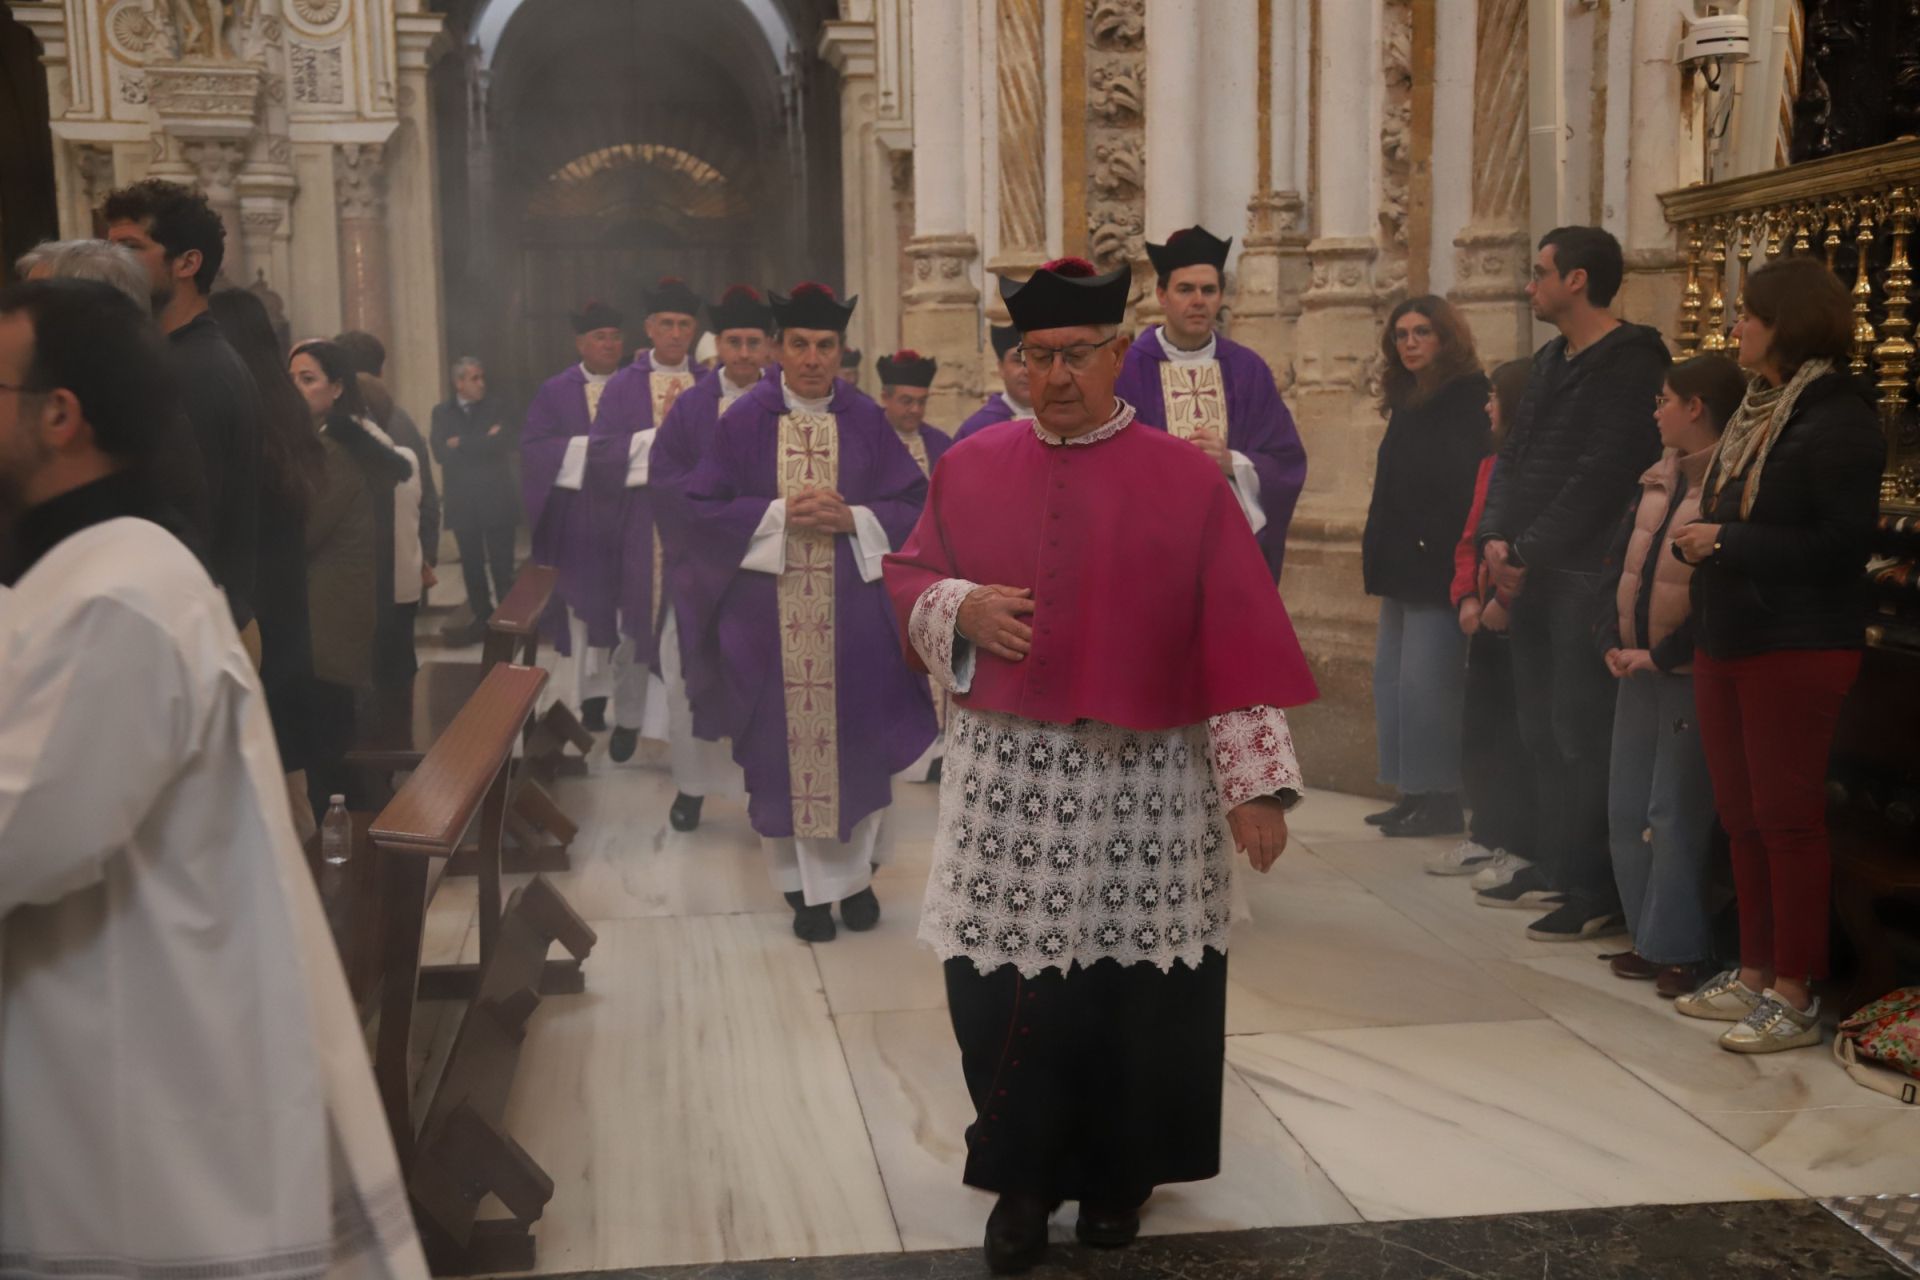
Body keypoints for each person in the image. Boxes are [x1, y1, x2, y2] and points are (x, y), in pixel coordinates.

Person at [883, 258, 1317, 1273]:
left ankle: (1122, 1175)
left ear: (1120, 353)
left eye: (1077, 353)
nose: (1058, 374)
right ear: (1017, 362)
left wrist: (1255, 782)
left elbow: (1236, 631)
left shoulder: (1183, 476)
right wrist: (961, 607)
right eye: (1038, 356)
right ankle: (1023, 1179)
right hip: (1010, 772)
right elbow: (908, 571)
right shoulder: (973, 462)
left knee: (1135, 982)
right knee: (1000, 978)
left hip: (1148, 778)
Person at [0, 277, 426, 1280]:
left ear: (60, 416)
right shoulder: (84, 573)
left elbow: (20, 832)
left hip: (143, 1093)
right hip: (112, 1063)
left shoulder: (118, 592)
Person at [1671, 257, 1884, 1053]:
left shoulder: (1839, 419)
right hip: (1731, 634)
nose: (1736, 327)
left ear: (1786, 324)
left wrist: (1726, 539)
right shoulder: (1762, 408)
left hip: (1796, 642)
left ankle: (1795, 991)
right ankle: (1756, 972)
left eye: (1748, 315)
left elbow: (1840, 545)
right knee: (1743, 818)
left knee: (1788, 822)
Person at [685, 282, 937, 942]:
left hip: (854, 616)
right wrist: (775, 512)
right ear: (776, 348)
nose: (812, 358)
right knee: (781, 752)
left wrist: (854, 517)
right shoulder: (743, 421)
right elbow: (702, 508)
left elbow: (914, 506)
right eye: (799, 344)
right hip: (768, 620)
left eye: (826, 346)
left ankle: (856, 884)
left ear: (842, 350)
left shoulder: (866, 420)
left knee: (857, 741)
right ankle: (800, 891)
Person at [1473, 226, 1670, 942]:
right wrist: (1498, 541)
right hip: (1533, 570)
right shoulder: (1554, 357)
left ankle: (1595, 886)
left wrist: (1523, 547)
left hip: (1585, 573)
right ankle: (1557, 864)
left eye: (1541, 273)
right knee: (1539, 729)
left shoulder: (1632, 359)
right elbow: (1514, 456)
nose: (1532, 285)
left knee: (1578, 731)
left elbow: (1605, 470)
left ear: (1578, 279)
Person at [1597, 353, 1746, 996]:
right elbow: (1625, 566)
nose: (1656, 410)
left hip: (1683, 669)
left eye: (1665, 399)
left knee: (1675, 811)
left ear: (1696, 407)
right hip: (1637, 665)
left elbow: (1712, 591)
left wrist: (1659, 654)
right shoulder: (1657, 478)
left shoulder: (1728, 485)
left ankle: (1680, 948)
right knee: (1627, 806)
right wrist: (1613, 636)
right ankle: (1647, 935)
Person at [104, 179, 264, 640]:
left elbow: (186, 526)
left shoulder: (195, 371)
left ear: (187, 262)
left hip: (193, 628)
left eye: (130, 248)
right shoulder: (179, 358)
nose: (113, 265)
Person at [1360, 296, 1489, 839]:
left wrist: (1433, 545)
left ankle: (1439, 797)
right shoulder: (1408, 397)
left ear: (1446, 339)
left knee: (1429, 684)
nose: (1409, 343)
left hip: (1435, 560)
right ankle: (1411, 790)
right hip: (1400, 559)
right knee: (1392, 680)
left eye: (1422, 333)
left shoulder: (1467, 398)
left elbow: (1462, 483)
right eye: (1402, 335)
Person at [1113, 224, 1307, 580]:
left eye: (1208, 290)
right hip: (1152, 550)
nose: (1198, 300)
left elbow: (1287, 461)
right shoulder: (1128, 370)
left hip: (1228, 549)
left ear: (1220, 297)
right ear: (1162, 294)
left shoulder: (1247, 370)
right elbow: (1107, 464)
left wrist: (1231, 461)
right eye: (1185, 289)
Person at [646, 285, 770, 832]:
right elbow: (664, 476)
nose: (744, 353)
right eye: (734, 341)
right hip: (700, 568)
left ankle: (761, 789)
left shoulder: (785, 403)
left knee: (760, 684)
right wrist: (721, 517)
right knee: (685, 675)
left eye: (754, 342)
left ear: (768, 346)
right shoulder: (693, 404)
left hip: (768, 568)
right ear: (717, 344)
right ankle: (692, 786)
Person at [208, 287, 325, 839]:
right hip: (284, 603)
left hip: (251, 606)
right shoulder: (283, 406)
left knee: (266, 794)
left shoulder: (234, 406)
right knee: (289, 778)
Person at [290, 338, 413, 816]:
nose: (295, 389)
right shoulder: (332, 441)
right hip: (335, 610)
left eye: (308, 379)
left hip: (332, 614)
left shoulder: (335, 451)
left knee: (333, 756)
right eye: (291, 379)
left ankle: (352, 861)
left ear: (337, 387)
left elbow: (304, 531)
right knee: (334, 746)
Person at [589, 277, 705, 761]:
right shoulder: (622, 386)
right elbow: (601, 453)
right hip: (641, 523)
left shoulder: (708, 383)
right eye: (667, 324)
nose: (675, 334)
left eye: (683, 325)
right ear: (650, 328)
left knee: (690, 629)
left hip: (696, 526)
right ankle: (630, 719)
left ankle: (687, 731)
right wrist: (655, 445)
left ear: (693, 330)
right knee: (637, 628)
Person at [1440, 359, 1538, 887]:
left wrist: (1503, 599)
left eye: (1496, 395)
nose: (1487, 405)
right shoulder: (1489, 463)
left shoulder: (1534, 464)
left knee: (1515, 735)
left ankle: (1519, 843)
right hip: (1484, 614)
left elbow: (1526, 542)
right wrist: (1466, 599)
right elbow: (1472, 538)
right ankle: (1485, 832)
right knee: (1479, 731)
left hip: (1518, 617)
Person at [521, 301, 626, 730]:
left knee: (626, 611)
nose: (609, 343)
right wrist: (593, 452)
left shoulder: (635, 386)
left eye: (615, 336)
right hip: (581, 519)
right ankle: (593, 699)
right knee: (585, 611)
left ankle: (630, 705)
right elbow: (535, 449)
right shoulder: (556, 390)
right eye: (599, 336)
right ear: (580, 343)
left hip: (628, 516)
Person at [877, 348, 956, 782]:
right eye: (906, 400)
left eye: (921, 401)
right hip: (879, 568)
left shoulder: (940, 444)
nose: (914, 410)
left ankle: (935, 749)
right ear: (885, 397)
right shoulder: (868, 441)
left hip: (932, 571)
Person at [334, 335, 427, 691]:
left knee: (382, 676)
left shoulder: (349, 451)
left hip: (373, 585)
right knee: (399, 669)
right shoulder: (405, 447)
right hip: (399, 580)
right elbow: (426, 502)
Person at [337, 330, 441, 620]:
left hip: (362, 575)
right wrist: (425, 558)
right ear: (381, 370)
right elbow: (428, 497)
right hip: (403, 569)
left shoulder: (341, 427)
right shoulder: (402, 419)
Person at [431, 357, 517, 644]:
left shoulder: (497, 406)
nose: (482, 383)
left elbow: (502, 443)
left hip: (496, 498)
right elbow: (441, 453)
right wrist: (482, 441)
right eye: (474, 378)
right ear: (459, 383)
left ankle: (508, 620)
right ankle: (482, 617)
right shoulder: (442, 412)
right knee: (471, 564)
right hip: (463, 501)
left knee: (502, 564)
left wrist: (462, 443)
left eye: (482, 377)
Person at [954, 324, 1031, 442]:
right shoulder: (975, 429)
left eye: (1037, 359)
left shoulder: (1063, 422)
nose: (1027, 371)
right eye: (1017, 360)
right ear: (1001, 368)